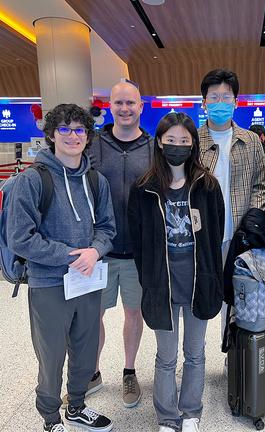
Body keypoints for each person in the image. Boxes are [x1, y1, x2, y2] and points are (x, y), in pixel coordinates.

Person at [7, 104, 116, 432]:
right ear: (52, 134)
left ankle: (77, 406)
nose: (73, 135)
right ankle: (51, 418)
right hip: (49, 282)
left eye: (79, 129)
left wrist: (95, 251)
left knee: (85, 349)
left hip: (87, 280)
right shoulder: (32, 180)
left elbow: (107, 227)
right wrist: (71, 256)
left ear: (88, 136)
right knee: (51, 355)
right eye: (64, 129)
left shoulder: (96, 180)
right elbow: (20, 238)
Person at [128, 112, 225, 432]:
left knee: (195, 353)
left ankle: (191, 411)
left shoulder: (207, 186)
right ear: (159, 142)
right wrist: (148, 278)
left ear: (193, 144)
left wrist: (213, 274)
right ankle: (167, 417)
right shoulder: (144, 188)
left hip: (198, 279)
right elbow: (138, 240)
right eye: (171, 140)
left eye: (185, 140)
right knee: (166, 356)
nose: (177, 146)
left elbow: (215, 233)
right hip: (162, 283)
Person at [62, 82, 154, 409]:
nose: (124, 108)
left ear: (141, 106)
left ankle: (129, 371)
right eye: (118, 103)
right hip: (97, 251)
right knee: (92, 315)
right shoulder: (92, 145)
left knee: (134, 312)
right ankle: (92, 372)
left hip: (138, 253)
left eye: (130, 103)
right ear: (110, 106)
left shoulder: (153, 148)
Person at [197, 68, 265, 346]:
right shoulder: (193, 141)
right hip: (203, 236)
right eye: (213, 97)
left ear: (236, 102)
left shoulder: (250, 141)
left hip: (238, 234)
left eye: (226, 97)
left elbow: (260, 184)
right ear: (204, 102)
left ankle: (233, 356)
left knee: (238, 297)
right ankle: (196, 356)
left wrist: (251, 222)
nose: (220, 103)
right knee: (201, 296)